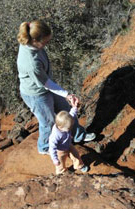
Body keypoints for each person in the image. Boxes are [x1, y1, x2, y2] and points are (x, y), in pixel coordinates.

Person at [16, 20, 95, 154]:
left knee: (65, 109)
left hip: (46, 87)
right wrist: (67, 94)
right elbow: (45, 84)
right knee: (48, 122)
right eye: (45, 42)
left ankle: (78, 135)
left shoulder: (30, 41)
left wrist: (65, 95)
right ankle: (44, 147)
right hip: (36, 94)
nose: (47, 44)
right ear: (35, 40)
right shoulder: (31, 62)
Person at [49, 96, 88, 174]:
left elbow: (72, 115)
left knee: (76, 155)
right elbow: (52, 147)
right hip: (60, 151)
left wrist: (74, 107)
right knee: (60, 164)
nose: (70, 129)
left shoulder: (66, 122)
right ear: (60, 127)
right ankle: (61, 172)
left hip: (68, 145)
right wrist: (55, 159)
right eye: (68, 128)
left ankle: (79, 165)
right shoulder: (55, 135)